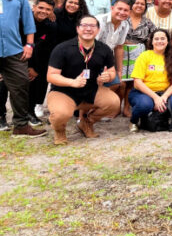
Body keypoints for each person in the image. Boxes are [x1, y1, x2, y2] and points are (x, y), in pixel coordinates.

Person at [46, 15, 119, 143]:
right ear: (77, 28)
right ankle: (60, 132)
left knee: (114, 103)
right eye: (84, 25)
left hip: (91, 90)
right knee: (60, 114)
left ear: (98, 30)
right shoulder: (62, 48)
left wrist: (109, 76)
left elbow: (112, 71)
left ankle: (86, 123)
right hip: (63, 91)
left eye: (92, 26)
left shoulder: (104, 49)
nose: (88, 29)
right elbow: (51, 76)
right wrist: (72, 82)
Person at [0, 0, 45, 138]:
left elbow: (27, 19)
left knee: (21, 85)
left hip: (13, 49)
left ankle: (20, 126)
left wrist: (29, 44)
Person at [128, 29, 172, 132]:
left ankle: (159, 117)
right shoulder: (144, 56)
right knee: (145, 105)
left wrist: (164, 97)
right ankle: (134, 121)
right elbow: (137, 82)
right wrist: (155, 98)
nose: (159, 41)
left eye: (163, 38)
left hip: (164, 92)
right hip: (143, 92)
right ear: (152, 41)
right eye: (156, 39)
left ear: (167, 41)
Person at [119, 0, 156, 117]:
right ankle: (116, 106)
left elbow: (155, 36)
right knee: (121, 83)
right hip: (121, 53)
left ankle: (126, 108)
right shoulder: (123, 18)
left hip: (138, 54)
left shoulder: (147, 23)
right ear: (131, 5)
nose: (139, 6)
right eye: (137, 3)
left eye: (142, 4)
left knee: (132, 82)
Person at [27, 0, 57, 123]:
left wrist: (36, 69)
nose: (44, 11)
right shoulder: (23, 20)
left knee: (39, 80)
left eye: (48, 9)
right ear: (34, 7)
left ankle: (31, 111)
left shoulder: (51, 26)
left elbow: (46, 49)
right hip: (19, 57)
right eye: (41, 8)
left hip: (39, 60)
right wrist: (29, 66)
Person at [95, 0, 132, 87]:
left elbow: (119, 47)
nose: (122, 12)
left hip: (106, 61)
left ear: (130, 12)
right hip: (90, 60)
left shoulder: (125, 24)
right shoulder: (100, 21)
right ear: (112, 8)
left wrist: (119, 71)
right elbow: (89, 46)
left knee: (117, 83)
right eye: (119, 9)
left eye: (126, 10)